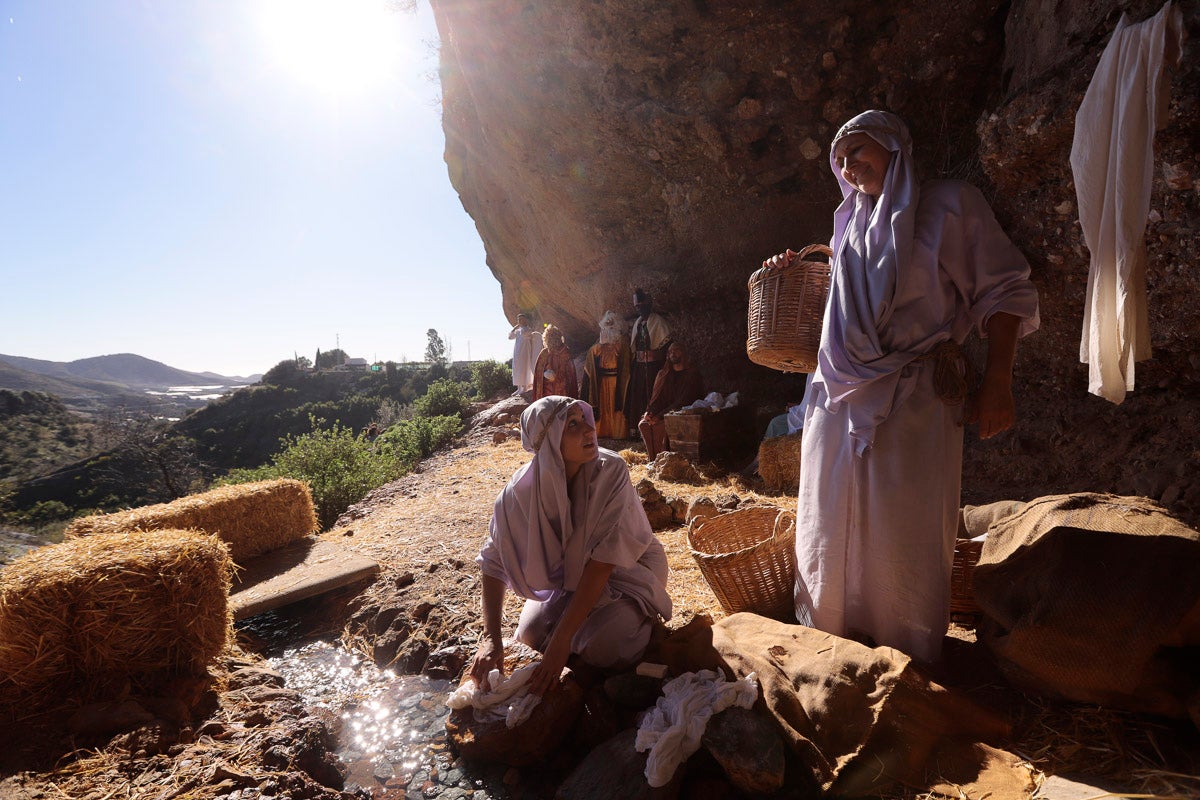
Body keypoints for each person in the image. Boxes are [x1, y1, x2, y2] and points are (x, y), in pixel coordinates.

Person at [767, 110, 1039, 663]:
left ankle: (906, 652)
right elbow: (841, 319)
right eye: (839, 159)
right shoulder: (846, 228)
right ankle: (832, 646)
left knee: (904, 527)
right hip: (836, 402)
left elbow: (1005, 291)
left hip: (914, 397)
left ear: (896, 147)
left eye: (859, 151)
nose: (847, 165)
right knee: (829, 519)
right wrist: (790, 270)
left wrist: (999, 381)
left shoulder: (950, 207)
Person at [469, 397, 673, 696]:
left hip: (630, 567)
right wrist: (491, 639)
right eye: (573, 425)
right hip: (568, 580)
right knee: (529, 636)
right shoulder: (518, 494)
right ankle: (579, 634)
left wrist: (562, 642)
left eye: (585, 419)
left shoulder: (611, 470)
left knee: (603, 647)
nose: (590, 430)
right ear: (549, 440)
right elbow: (493, 560)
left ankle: (641, 619)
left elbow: (604, 561)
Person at [638, 342, 705, 461]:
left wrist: (660, 416)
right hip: (664, 413)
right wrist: (650, 412)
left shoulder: (692, 375)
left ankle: (666, 460)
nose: (672, 353)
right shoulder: (664, 375)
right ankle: (653, 459)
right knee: (643, 424)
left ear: (683, 353)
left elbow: (683, 401)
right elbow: (657, 398)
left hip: (681, 412)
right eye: (670, 352)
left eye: (676, 350)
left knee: (664, 425)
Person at [623, 289, 671, 437]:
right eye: (637, 306)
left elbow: (666, 347)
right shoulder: (638, 323)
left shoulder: (658, 322)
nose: (640, 309)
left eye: (642, 306)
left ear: (649, 305)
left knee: (652, 396)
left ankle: (652, 429)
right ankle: (636, 429)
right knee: (637, 395)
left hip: (653, 366)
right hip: (639, 366)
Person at [581, 310, 632, 439]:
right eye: (605, 328)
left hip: (616, 381)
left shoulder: (622, 345)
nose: (606, 331)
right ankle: (602, 431)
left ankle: (617, 432)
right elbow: (591, 359)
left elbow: (626, 363)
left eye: (610, 328)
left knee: (616, 406)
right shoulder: (599, 347)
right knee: (603, 406)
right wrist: (600, 345)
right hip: (602, 381)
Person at [532, 325, 578, 400]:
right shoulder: (544, 353)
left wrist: (555, 376)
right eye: (550, 338)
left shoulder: (565, 352)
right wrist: (546, 374)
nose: (552, 340)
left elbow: (570, 373)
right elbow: (538, 373)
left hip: (559, 391)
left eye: (554, 337)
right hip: (549, 392)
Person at [509, 313, 542, 396]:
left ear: (526, 320)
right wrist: (514, 328)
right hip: (517, 352)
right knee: (517, 369)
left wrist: (520, 327)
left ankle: (524, 388)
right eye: (519, 320)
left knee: (523, 368)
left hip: (525, 352)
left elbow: (524, 333)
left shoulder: (528, 329)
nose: (520, 321)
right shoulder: (518, 330)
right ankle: (519, 388)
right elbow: (510, 337)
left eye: (522, 319)